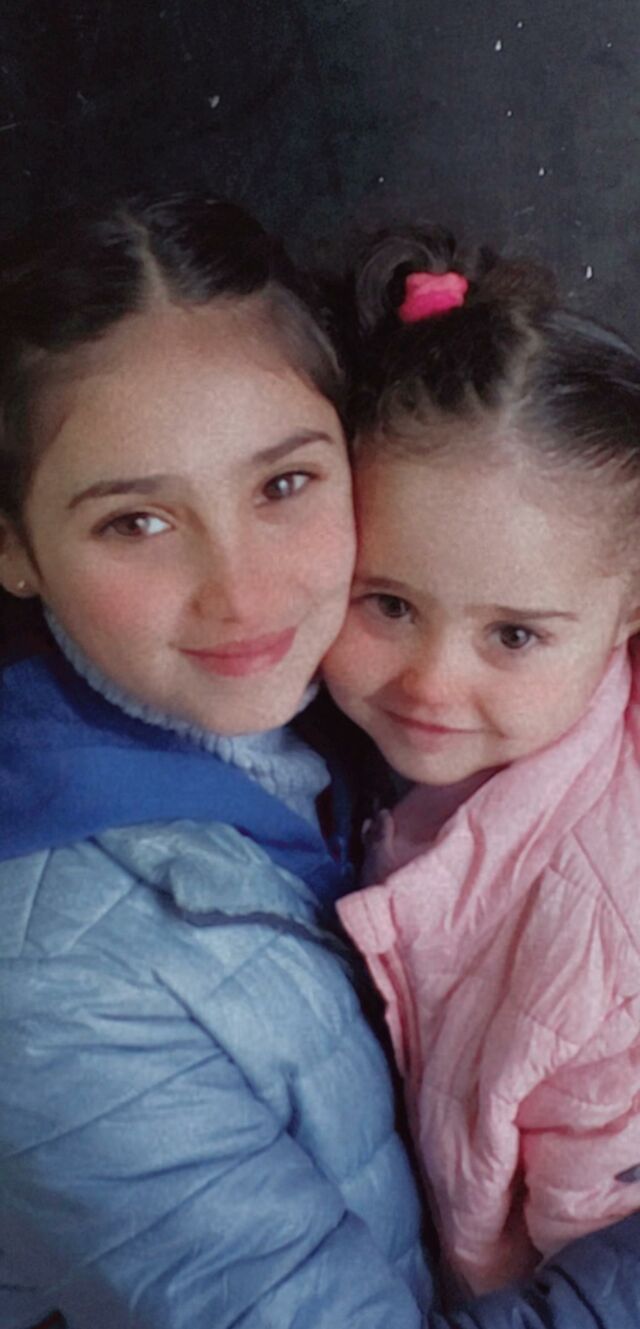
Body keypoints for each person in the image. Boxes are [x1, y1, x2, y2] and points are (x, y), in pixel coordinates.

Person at [0, 196, 639, 1329]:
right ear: (15, 546)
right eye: (136, 522)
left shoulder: (328, 726)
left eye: (283, 485)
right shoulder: (51, 987)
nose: (242, 591)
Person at [324, 224, 640, 1299]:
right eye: (387, 604)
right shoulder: (343, 752)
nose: (430, 683)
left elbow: (592, 1278)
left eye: (512, 634)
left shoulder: (603, 941)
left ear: (626, 613)